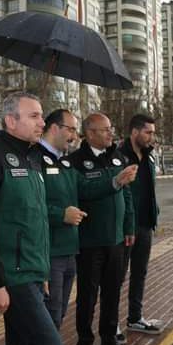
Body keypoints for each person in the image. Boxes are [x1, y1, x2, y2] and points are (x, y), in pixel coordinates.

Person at [0, 92, 63, 345]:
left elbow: (35, 220)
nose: (42, 123)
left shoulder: (33, 159)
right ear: (11, 120)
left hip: (32, 272)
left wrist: (41, 269)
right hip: (13, 276)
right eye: (34, 116)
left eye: (41, 116)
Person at [35, 109, 137, 331]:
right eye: (71, 129)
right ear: (55, 129)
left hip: (69, 250)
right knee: (48, 320)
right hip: (51, 251)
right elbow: (27, 206)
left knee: (58, 314)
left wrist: (116, 181)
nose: (74, 135)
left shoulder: (64, 162)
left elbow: (86, 188)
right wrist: (60, 215)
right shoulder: (36, 160)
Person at [70, 112, 135, 345]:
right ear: (90, 133)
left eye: (111, 128)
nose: (111, 133)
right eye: (105, 129)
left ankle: (109, 340)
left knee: (112, 292)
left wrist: (128, 226)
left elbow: (126, 195)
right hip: (90, 242)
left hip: (116, 240)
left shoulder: (117, 157)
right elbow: (82, 191)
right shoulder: (75, 161)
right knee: (87, 295)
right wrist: (115, 182)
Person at [118, 114, 163, 339]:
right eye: (148, 132)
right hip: (125, 228)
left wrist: (154, 214)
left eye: (153, 132)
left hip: (145, 225)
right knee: (116, 277)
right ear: (135, 132)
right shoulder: (118, 156)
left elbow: (150, 190)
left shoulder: (149, 156)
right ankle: (111, 324)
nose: (151, 136)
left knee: (140, 274)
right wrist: (126, 225)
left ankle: (135, 318)